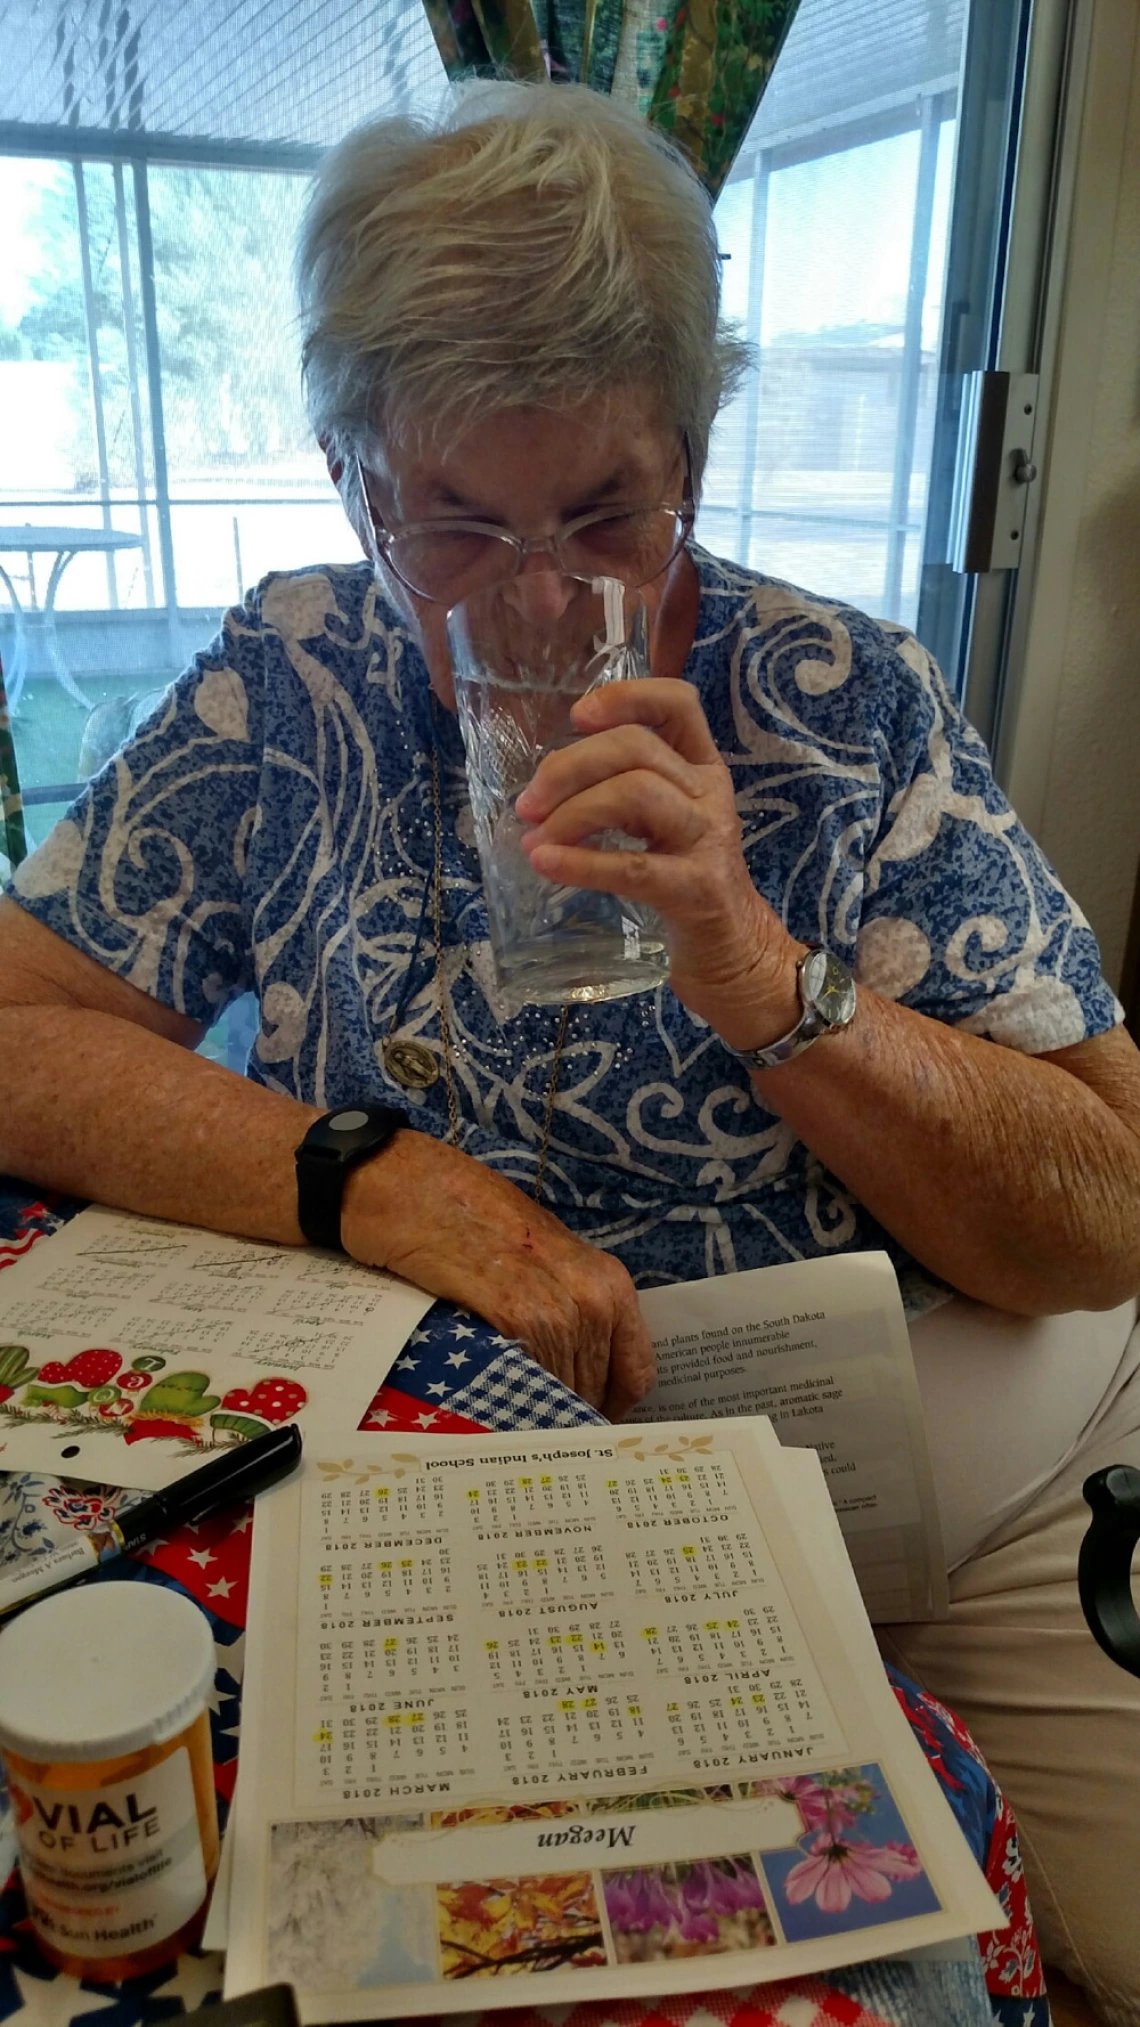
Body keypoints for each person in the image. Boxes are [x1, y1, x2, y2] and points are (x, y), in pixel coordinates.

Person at [1, 81, 1138, 2022]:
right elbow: (21, 1017)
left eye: (606, 509)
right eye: (452, 522)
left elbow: (1106, 1211)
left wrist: (759, 964)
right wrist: (368, 1172)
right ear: (355, 477)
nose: (536, 596)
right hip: (520, 1464)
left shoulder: (842, 695)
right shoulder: (288, 668)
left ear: (690, 450)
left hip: (959, 1434)